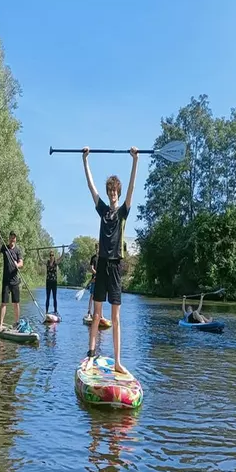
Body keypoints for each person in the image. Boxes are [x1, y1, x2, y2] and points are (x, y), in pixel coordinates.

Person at [83, 145, 138, 374]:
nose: (113, 194)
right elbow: (91, 187)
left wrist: (135, 160)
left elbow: (132, 186)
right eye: (111, 191)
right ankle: (91, 356)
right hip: (102, 264)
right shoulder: (103, 210)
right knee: (97, 315)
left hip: (115, 266)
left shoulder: (124, 210)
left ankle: (117, 362)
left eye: (115, 191)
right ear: (108, 193)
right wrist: (85, 160)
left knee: (115, 318)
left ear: (118, 192)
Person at [0, 227, 24, 327]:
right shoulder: (5, 248)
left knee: (16, 303)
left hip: (15, 281)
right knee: (4, 303)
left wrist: (17, 265)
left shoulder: (17, 250)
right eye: (11, 238)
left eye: (14, 238)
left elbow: (21, 263)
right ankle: (1, 323)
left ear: (15, 239)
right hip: (6, 281)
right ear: (9, 239)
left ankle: (16, 323)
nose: (12, 240)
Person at [38, 246, 64, 314]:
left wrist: (63, 249)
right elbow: (41, 260)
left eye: (52, 255)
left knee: (54, 297)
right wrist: (38, 252)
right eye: (50, 255)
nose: (51, 256)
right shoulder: (47, 262)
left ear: (54, 256)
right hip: (48, 282)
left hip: (54, 282)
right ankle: (46, 311)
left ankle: (55, 311)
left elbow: (62, 257)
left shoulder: (56, 262)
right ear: (49, 256)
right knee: (48, 297)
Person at [87, 243, 98, 317]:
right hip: (94, 279)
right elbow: (91, 268)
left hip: (100, 280)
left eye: (98, 248)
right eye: (96, 248)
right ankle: (89, 311)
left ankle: (99, 314)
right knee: (92, 296)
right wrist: (97, 274)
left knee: (100, 297)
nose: (97, 250)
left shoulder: (102, 258)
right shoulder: (93, 258)